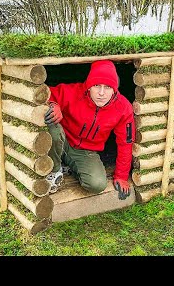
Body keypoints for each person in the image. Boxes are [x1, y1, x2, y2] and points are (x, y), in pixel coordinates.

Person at [44, 59, 135, 200]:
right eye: (97, 85)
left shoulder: (123, 108)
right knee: (52, 125)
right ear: (88, 86)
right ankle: (54, 171)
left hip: (85, 151)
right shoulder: (73, 92)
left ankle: (67, 166)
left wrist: (122, 176)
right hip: (63, 139)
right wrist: (52, 104)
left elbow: (126, 142)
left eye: (108, 87)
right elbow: (45, 93)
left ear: (115, 89)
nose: (101, 93)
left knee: (97, 184)